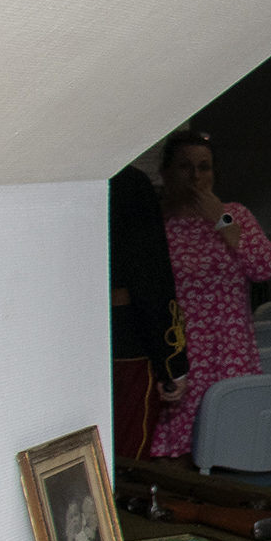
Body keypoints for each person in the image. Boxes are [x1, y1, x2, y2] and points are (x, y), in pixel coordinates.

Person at [149, 130, 271, 459]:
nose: (196, 177)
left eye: (204, 167)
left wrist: (220, 220)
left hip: (229, 350)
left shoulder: (235, 214)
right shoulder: (155, 224)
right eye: (185, 167)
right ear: (166, 173)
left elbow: (264, 267)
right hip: (181, 352)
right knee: (179, 455)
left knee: (232, 446)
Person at [108, 164, 188, 462]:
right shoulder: (130, 184)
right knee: (127, 456)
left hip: (72, 339)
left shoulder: (230, 212)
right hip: (128, 337)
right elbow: (150, 275)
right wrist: (171, 361)